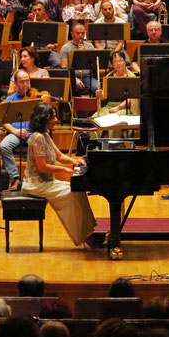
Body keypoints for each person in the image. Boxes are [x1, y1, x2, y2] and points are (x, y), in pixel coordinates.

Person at [21, 102, 96, 247]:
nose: (56, 120)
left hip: (46, 182)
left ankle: (89, 231)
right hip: (35, 184)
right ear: (43, 119)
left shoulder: (45, 135)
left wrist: (75, 160)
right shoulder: (37, 138)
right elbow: (42, 167)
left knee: (78, 190)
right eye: (53, 117)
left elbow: (60, 156)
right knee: (71, 193)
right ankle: (82, 235)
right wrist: (65, 170)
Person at [1, 70, 35, 190]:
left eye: (27, 81)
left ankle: (33, 178)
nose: (26, 84)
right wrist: (15, 131)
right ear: (15, 83)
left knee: (38, 144)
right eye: (22, 81)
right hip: (16, 132)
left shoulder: (37, 97)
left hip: (33, 132)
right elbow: (3, 121)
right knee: (4, 145)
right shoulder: (9, 100)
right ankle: (15, 178)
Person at [59, 23, 98, 96]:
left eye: (82, 33)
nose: (80, 35)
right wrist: (75, 79)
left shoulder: (89, 46)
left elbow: (93, 64)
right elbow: (64, 67)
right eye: (78, 33)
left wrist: (84, 53)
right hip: (73, 77)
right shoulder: (65, 48)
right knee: (75, 89)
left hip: (87, 77)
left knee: (97, 87)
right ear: (72, 34)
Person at [20, 1, 61, 68]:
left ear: (44, 11)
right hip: (33, 51)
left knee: (58, 63)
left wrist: (54, 45)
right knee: (23, 66)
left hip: (49, 51)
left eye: (39, 10)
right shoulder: (29, 23)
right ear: (32, 12)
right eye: (35, 10)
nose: (37, 12)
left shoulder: (51, 23)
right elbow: (21, 38)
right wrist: (26, 25)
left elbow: (59, 40)